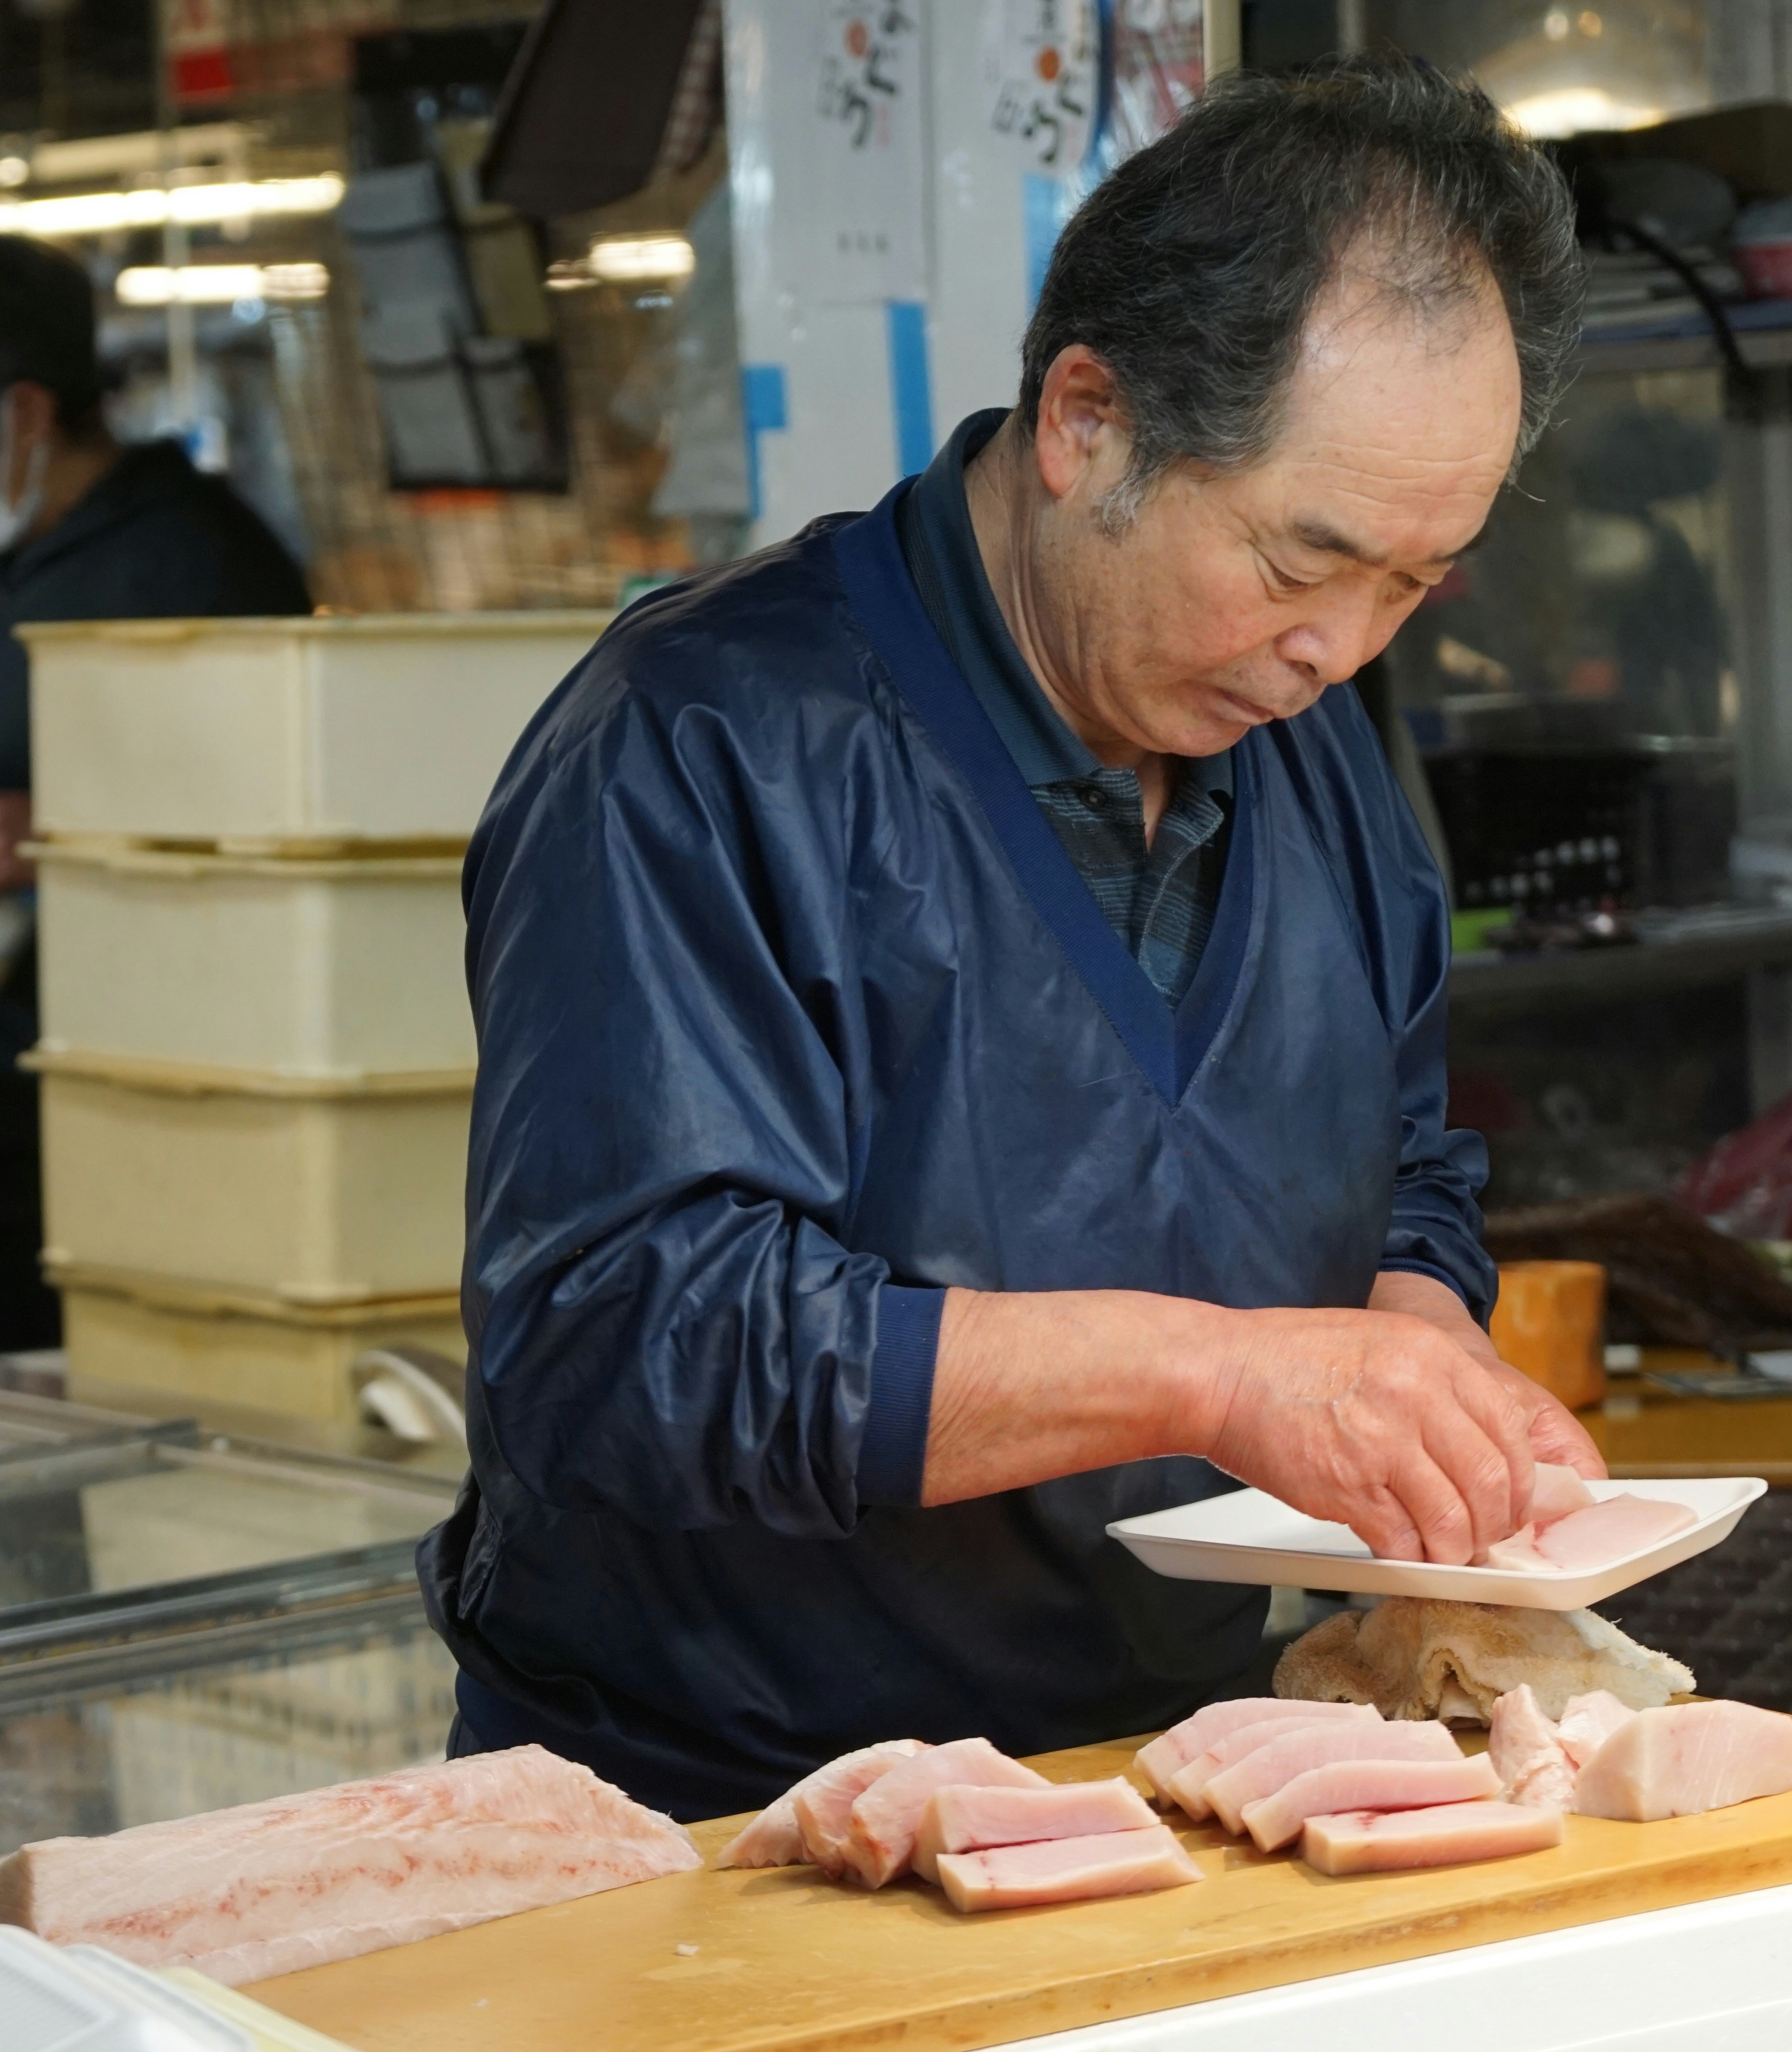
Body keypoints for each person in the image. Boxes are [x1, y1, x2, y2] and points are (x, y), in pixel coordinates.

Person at [431, 56, 1606, 1820]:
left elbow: (1404, 1159)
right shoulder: (698, 744)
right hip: (718, 1824)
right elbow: (628, 1341)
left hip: (1177, 1782)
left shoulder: (1312, 752)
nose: (1340, 649)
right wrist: (1222, 1376)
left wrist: (1408, 1345)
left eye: (1412, 585)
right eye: (1302, 562)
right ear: (1088, 425)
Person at [0, 215, 308, 1354]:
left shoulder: (200, 564)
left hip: (141, 1136)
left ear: (25, 413)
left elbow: (283, 827)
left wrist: (76, 835)